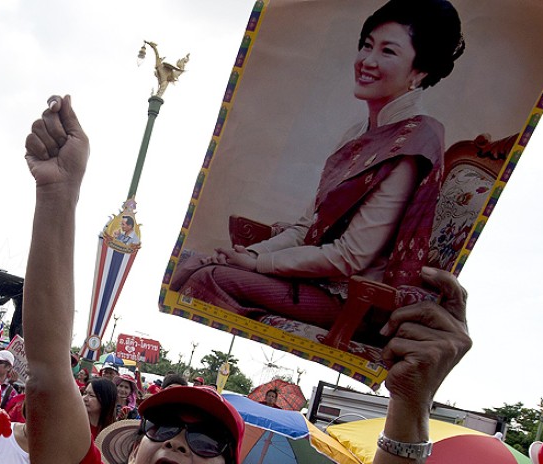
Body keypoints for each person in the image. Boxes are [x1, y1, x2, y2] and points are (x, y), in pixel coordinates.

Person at [11, 93, 471, 464]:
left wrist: (409, 406)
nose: (177, 442)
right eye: (164, 428)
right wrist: (58, 194)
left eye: (205, 443)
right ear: (137, 450)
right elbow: (50, 367)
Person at [170, 0, 464, 337]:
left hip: (351, 297)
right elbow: (306, 227)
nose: (367, 61)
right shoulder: (359, 133)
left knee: (209, 278)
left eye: (387, 51)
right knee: (196, 262)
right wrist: (249, 253)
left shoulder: (412, 145)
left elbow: (350, 256)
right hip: (316, 278)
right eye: (367, 45)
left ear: (419, 71)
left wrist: (259, 264)